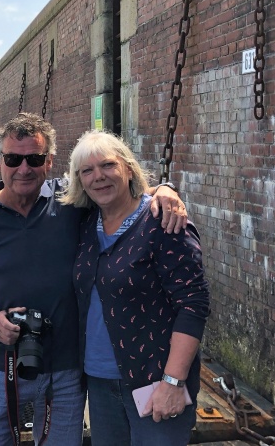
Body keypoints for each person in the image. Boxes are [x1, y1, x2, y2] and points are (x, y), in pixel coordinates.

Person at [0, 113, 187, 446]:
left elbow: (119, 189)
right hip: (1, 358)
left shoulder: (71, 202)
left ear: (49, 162)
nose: (23, 169)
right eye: (14, 159)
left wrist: (165, 191)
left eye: (34, 159)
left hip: (66, 364)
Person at [59, 130, 210, 446]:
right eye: (87, 171)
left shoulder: (162, 223)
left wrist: (172, 382)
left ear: (128, 168)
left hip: (154, 379)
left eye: (108, 166)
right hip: (99, 379)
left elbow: (193, 304)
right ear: (79, 180)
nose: (98, 177)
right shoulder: (86, 223)